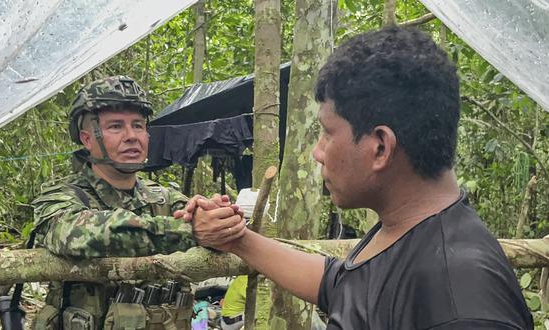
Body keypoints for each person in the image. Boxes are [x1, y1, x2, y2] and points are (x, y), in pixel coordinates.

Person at [178, 27, 534, 329]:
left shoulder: (461, 299)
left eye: (327, 133)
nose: (318, 152)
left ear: (380, 147)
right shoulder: (403, 231)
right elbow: (341, 284)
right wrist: (238, 239)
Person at [30, 76, 239, 330]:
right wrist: (188, 230)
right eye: (116, 126)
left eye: (138, 125)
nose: (132, 136)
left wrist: (217, 217)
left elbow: (210, 231)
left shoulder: (166, 197)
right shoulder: (63, 195)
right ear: (87, 139)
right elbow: (75, 234)